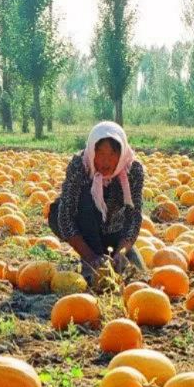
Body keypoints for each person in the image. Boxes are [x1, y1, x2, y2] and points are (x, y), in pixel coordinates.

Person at [48, 121, 146, 283]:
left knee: (136, 272)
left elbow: (134, 218)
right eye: (100, 153)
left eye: (113, 153)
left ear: (121, 153)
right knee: (83, 200)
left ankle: (111, 253)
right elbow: (65, 217)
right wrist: (91, 257)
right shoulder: (80, 165)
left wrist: (121, 252)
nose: (105, 161)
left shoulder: (133, 170)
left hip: (114, 231)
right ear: (92, 150)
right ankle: (92, 256)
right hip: (85, 227)